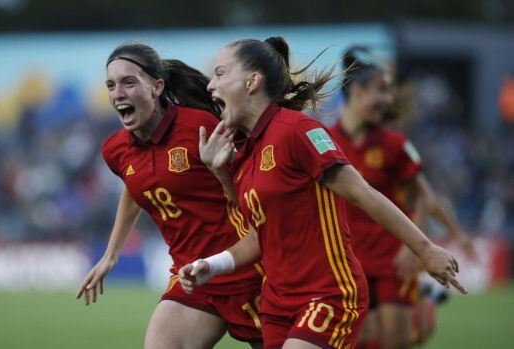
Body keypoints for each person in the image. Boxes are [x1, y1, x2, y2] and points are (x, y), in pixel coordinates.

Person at [177, 37, 466, 349]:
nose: (210, 86)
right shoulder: (244, 152)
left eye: (220, 74)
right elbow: (261, 235)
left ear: (252, 81)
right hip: (275, 305)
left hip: (329, 294)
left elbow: (363, 194)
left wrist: (424, 249)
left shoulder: (298, 131)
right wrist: (214, 263)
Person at [75, 42, 264, 349]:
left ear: (157, 87)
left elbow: (252, 187)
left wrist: (220, 171)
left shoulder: (200, 126)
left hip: (246, 270)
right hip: (192, 277)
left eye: (128, 82)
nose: (117, 93)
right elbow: (136, 188)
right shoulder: (115, 150)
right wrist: (111, 254)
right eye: (110, 85)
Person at [329, 47, 477, 349]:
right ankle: (425, 305)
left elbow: (425, 197)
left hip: (391, 259)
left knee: (395, 342)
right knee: (359, 342)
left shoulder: (395, 144)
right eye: (381, 91)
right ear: (357, 91)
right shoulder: (324, 140)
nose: (388, 100)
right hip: (346, 260)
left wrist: (416, 248)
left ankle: (423, 306)